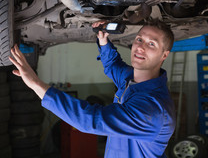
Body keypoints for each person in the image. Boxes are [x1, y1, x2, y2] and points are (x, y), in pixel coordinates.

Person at [9, 19, 176, 158]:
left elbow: (90, 120)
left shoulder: (153, 109)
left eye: (151, 44)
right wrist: (103, 40)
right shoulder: (132, 79)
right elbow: (112, 65)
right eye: (139, 39)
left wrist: (35, 83)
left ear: (164, 55)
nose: (140, 47)